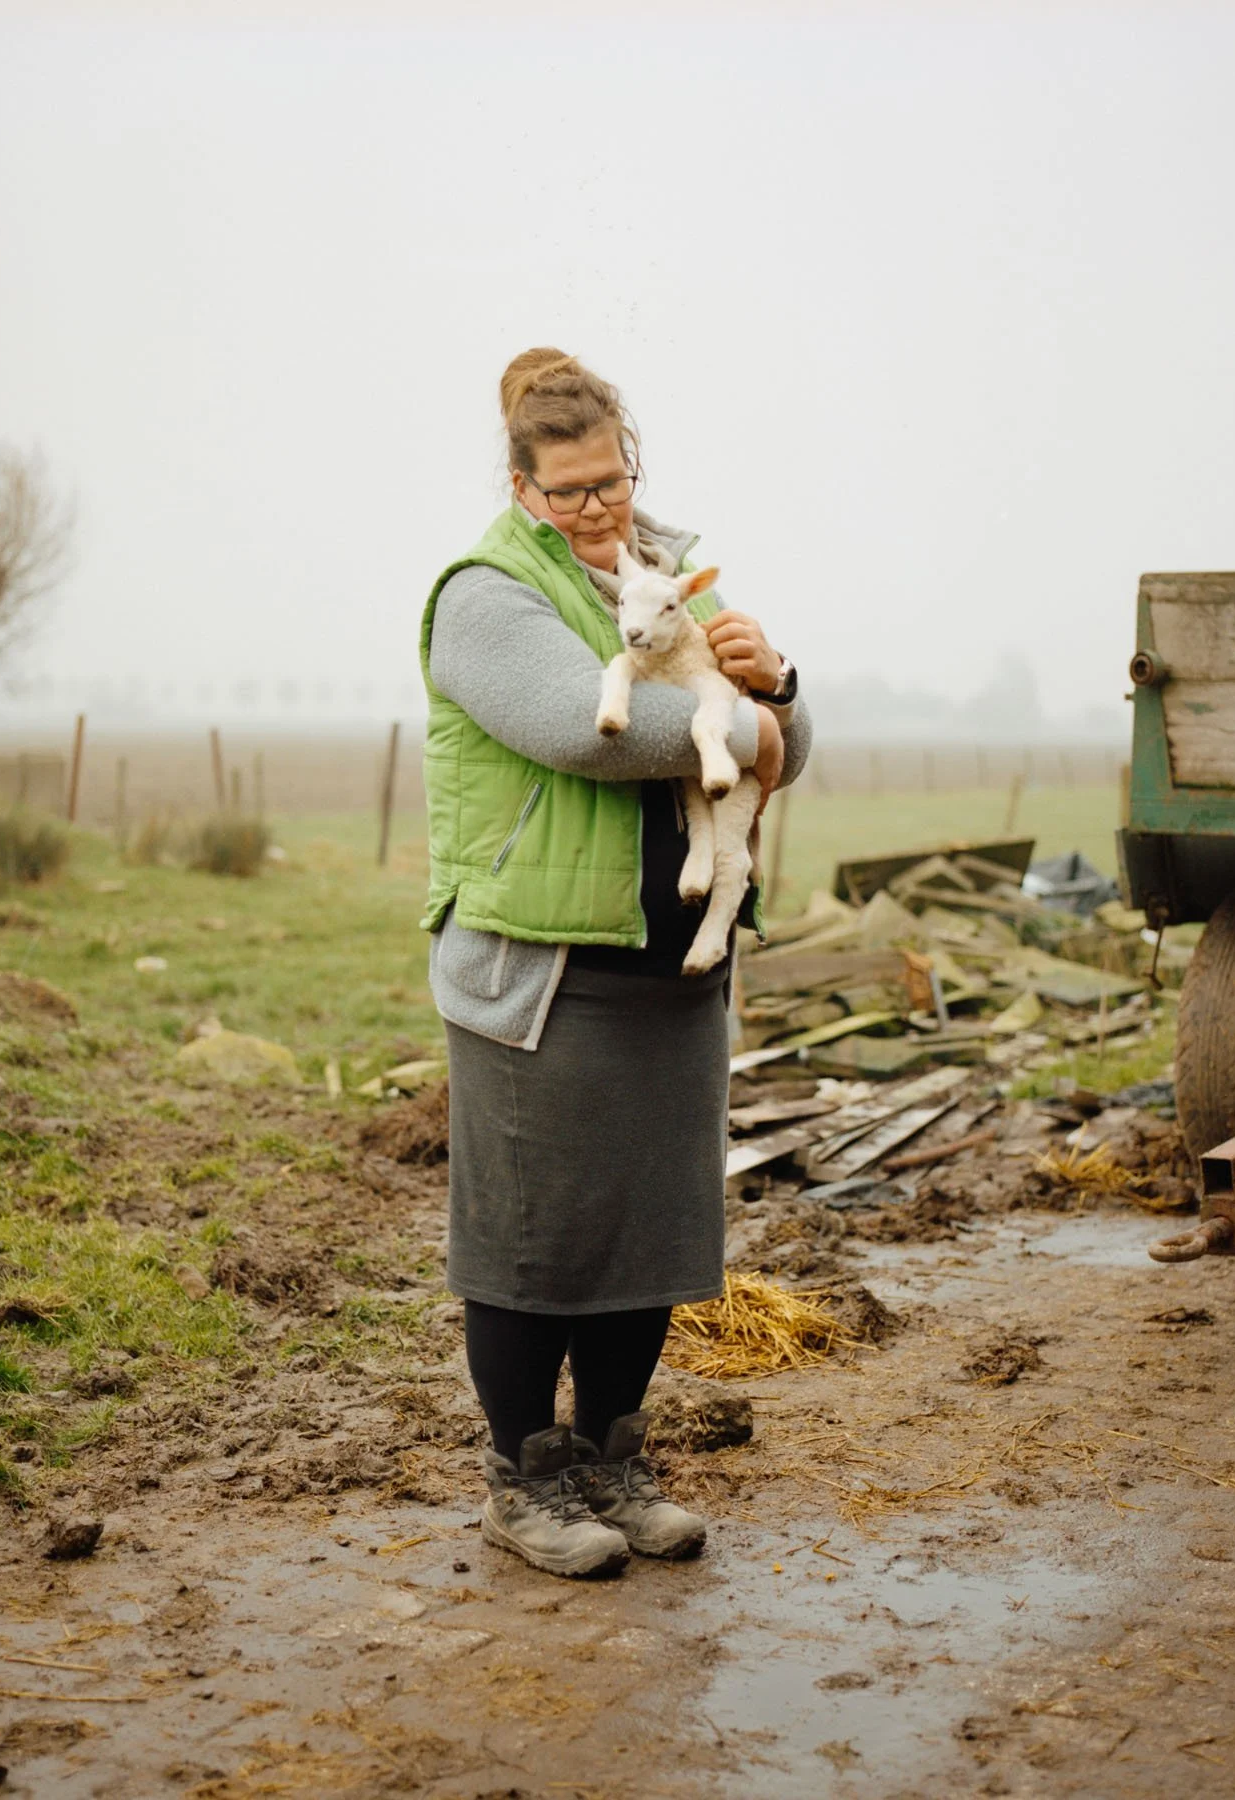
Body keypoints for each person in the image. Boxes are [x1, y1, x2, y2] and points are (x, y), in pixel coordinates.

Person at [420, 348, 812, 1578]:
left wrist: (781, 682)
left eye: (614, 481)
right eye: (573, 490)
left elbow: (787, 735)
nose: (602, 508)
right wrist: (756, 728)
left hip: (674, 963)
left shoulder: (669, 573)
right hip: (543, 971)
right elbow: (584, 734)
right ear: (526, 488)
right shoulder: (487, 595)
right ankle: (523, 1479)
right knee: (536, 1241)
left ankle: (612, 1459)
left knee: (651, 1227)